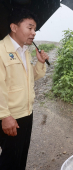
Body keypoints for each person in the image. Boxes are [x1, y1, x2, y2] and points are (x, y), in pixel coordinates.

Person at [0, 8, 49, 170]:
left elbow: (28, 79)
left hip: (26, 113)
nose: (34, 32)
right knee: (9, 161)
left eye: (34, 28)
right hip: (10, 117)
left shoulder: (24, 51)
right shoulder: (1, 50)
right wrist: (5, 115)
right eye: (30, 28)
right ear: (14, 27)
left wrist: (40, 62)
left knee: (21, 157)